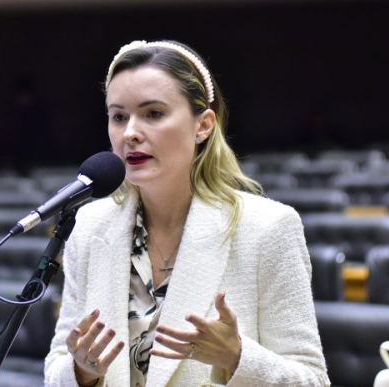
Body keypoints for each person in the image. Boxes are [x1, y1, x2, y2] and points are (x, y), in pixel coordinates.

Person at [44, 40, 330, 387]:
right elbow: (61, 359)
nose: (130, 133)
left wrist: (238, 357)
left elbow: (313, 380)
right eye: (119, 116)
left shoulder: (268, 228)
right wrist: (82, 372)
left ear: (203, 125)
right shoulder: (89, 226)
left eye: (153, 114)